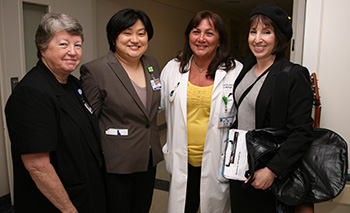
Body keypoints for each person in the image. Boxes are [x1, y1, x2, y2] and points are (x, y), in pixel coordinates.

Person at [5, 13, 106, 213]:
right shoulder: (32, 93)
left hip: (84, 192)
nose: (73, 52)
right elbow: (37, 166)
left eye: (77, 45)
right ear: (42, 47)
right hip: (58, 204)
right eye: (63, 44)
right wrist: (69, 210)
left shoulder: (73, 84)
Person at [229, 4, 314, 212]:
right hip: (240, 167)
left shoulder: (292, 74)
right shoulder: (246, 66)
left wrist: (272, 170)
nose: (257, 39)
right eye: (253, 31)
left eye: (266, 32)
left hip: (268, 172)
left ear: (279, 37)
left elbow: (302, 132)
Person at [80, 8, 163, 213]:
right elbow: (89, 123)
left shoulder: (151, 64)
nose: (135, 39)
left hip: (148, 157)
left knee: (142, 208)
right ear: (114, 36)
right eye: (127, 32)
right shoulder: (96, 70)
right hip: (116, 163)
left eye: (141, 33)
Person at [160, 10, 243, 213]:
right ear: (188, 35)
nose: (201, 39)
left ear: (219, 39)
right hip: (183, 161)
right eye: (196, 32)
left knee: (214, 208)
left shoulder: (235, 71)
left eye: (209, 33)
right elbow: (156, 104)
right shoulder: (173, 68)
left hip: (217, 161)